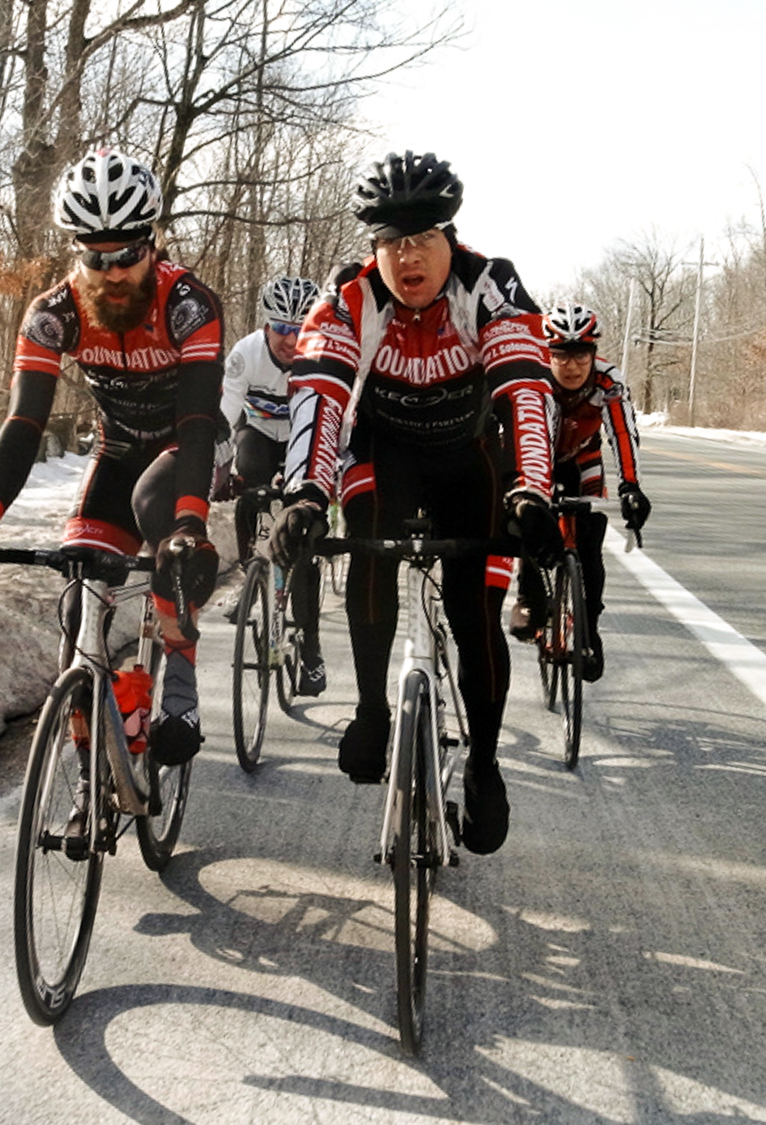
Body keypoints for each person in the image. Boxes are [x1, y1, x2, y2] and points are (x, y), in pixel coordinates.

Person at [272, 150, 563, 856]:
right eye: (393, 241)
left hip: (469, 457)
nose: (409, 256)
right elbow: (320, 394)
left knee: (474, 608)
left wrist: (532, 490)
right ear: (374, 248)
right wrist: (305, 492)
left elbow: (525, 388)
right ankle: (372, 709)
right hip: (387, 452)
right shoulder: (349, 296)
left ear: (450, 238)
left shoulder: (489, 284)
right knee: (366, 534)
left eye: (425, 238)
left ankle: (485, 764)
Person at [0, 146, 224, 767]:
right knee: (79, 592)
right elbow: (23, 422)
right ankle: (94, 770)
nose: (113, 273)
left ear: (153, 243)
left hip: (188, 445)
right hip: (117, 450)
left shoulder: (187, 303)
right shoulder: (52, 313)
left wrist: (190, 525)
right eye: (96, 257)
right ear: (75, 252)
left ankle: (180, 679)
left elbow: (199, 419)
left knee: (156, 508)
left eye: (128, 255)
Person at [509, 302, 650, 681]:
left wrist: (631, 486)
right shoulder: (534, 378)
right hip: (536, 457)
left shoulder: (608, 380)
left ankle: (590, 630)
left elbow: (622, 432)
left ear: (593, 353)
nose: (572, 367)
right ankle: (529, 596)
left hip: (582, 458)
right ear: (547, 354)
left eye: (581, 356)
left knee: (589, 538)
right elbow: (525, 436)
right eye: (561, 356)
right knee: (530, 516)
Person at [217, 275, 328, 695]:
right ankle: (252, 570)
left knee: (304, 540)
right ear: (266, 325)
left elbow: (334, 421)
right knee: (251, 487)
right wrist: (217, 468)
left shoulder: (321, 356)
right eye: (282, 328)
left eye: (300, 329)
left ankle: (312, 650)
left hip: (302, 437)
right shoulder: (246, 354)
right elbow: (225, 415)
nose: (291, 339)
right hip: (259, 432)